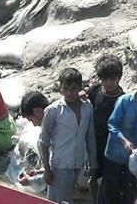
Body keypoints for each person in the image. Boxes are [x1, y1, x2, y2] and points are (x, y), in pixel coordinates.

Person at [37, 67, 98, 204]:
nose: (70, 93)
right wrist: (47, 169)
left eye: (73, 89)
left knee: (68, 200)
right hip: (60, 166)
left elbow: (90, 138)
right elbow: (43, 141)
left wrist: (93, 165)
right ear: (60, 89)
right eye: (66, 88)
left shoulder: (87, 107)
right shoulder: (54, 110)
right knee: (58, 201)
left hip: (78, 163)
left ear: (80, 88)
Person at [83, 54, 124, 202]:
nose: (109, 83)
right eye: (105, 79)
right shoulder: (96, 91)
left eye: (112, 79)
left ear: (119, 77)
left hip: (111, 146)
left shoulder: (122, 99)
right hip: (94, 143)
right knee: (92, 176)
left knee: (109, 179)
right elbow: (85, 95)